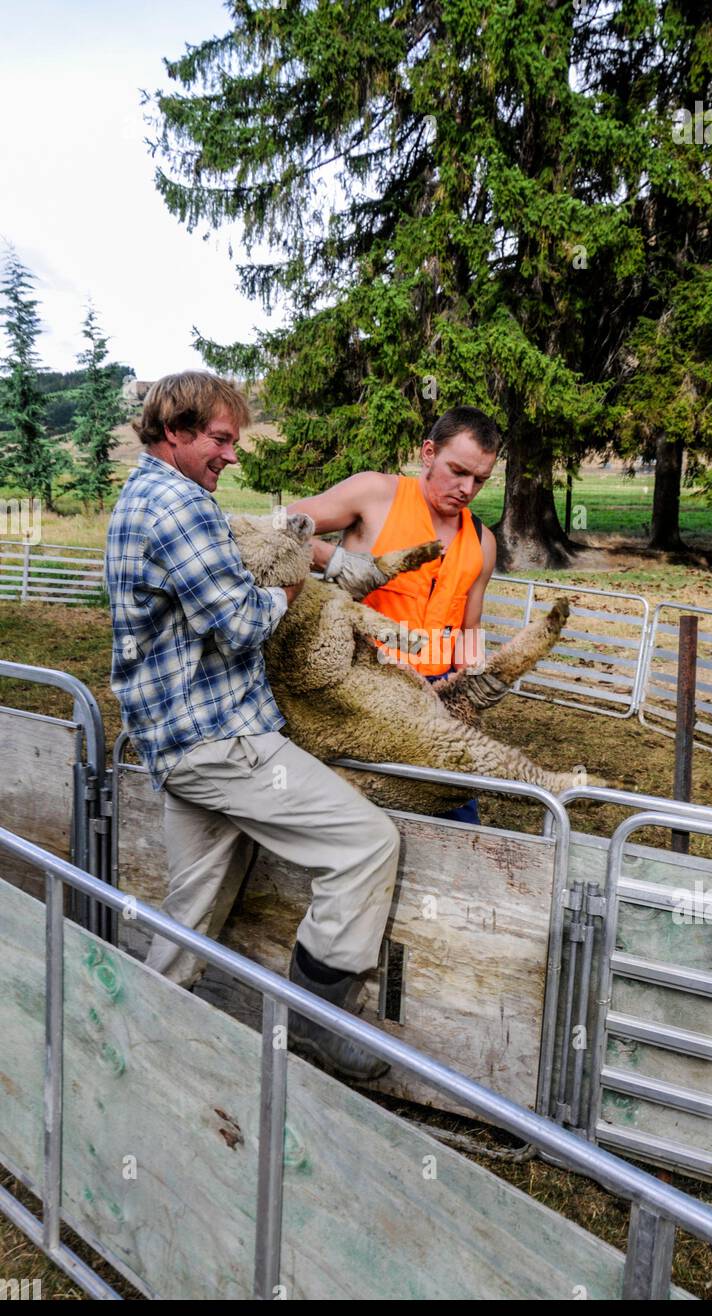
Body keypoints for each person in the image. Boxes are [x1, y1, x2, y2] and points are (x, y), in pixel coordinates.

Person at [104, 371, 399, 1082]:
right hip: (223, 741)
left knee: (192, 912)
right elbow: (238, 624)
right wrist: (291, 582)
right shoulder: (178, 507)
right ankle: (316, 1022)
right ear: (174, 431)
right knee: (365, 845)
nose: (231, 456)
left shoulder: (140, 497)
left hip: (176, 742)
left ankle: (128, 1050)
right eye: (220, 439)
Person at [284, 406, 506, 823]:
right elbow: (282, 526)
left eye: (479, 479)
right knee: (355, 811)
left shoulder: (482, 541)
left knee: (453, 814)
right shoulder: (375, 495)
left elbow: (468, 626)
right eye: (457, 471)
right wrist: (335, 560)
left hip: (434, 698)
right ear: (428, 453)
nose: (466, 488)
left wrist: (473, 687)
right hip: (362, 685)